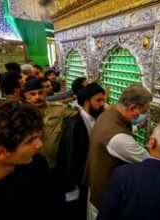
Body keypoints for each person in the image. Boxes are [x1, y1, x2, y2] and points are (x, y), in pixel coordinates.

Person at [83, 84, 152, 220]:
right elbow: (150, 161)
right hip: (105, 203)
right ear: (132, 108)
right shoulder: (120, 139)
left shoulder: (106, 114)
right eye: (143, 111)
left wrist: (138, 126)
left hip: (95, 189)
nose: (143, 115)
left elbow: (120, 130)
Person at [56, 82, 106, 219]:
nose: (102, 104)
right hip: (77, 184)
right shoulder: (75, 125)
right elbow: (68, 161)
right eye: (98, 100)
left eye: (103, 100)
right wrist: (72, 190)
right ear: (86, 102)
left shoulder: (97, 118)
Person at [23, 78, 77, 168]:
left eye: (40, 93)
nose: (37, 97)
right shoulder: (21, 113)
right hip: (30, 164)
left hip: (55, 163)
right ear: (26, 96)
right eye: (33, 94)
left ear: (45, 92)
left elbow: (80, 115)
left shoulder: (58, 109)